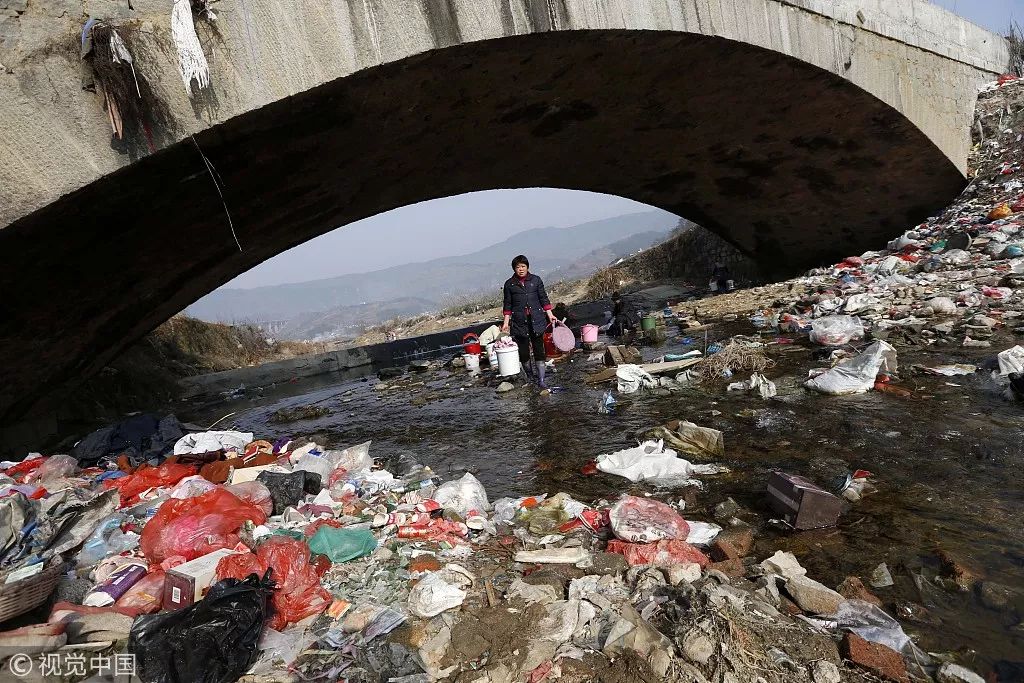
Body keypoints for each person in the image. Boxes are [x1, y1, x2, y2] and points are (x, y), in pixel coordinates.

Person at [501, 255, 556, 387]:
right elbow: (507, 305)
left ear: (527, 267)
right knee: (524, 352)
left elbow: (544, 298)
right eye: (518, 267)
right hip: (519, 322)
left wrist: (550, 314)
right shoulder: (510, 284)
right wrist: (506, 323)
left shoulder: (535, 280)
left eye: (523, 266)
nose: (521, 269)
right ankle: (530, 377)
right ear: (514, 269)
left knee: (539, 350)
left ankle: (541, 380)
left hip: (536, 320)